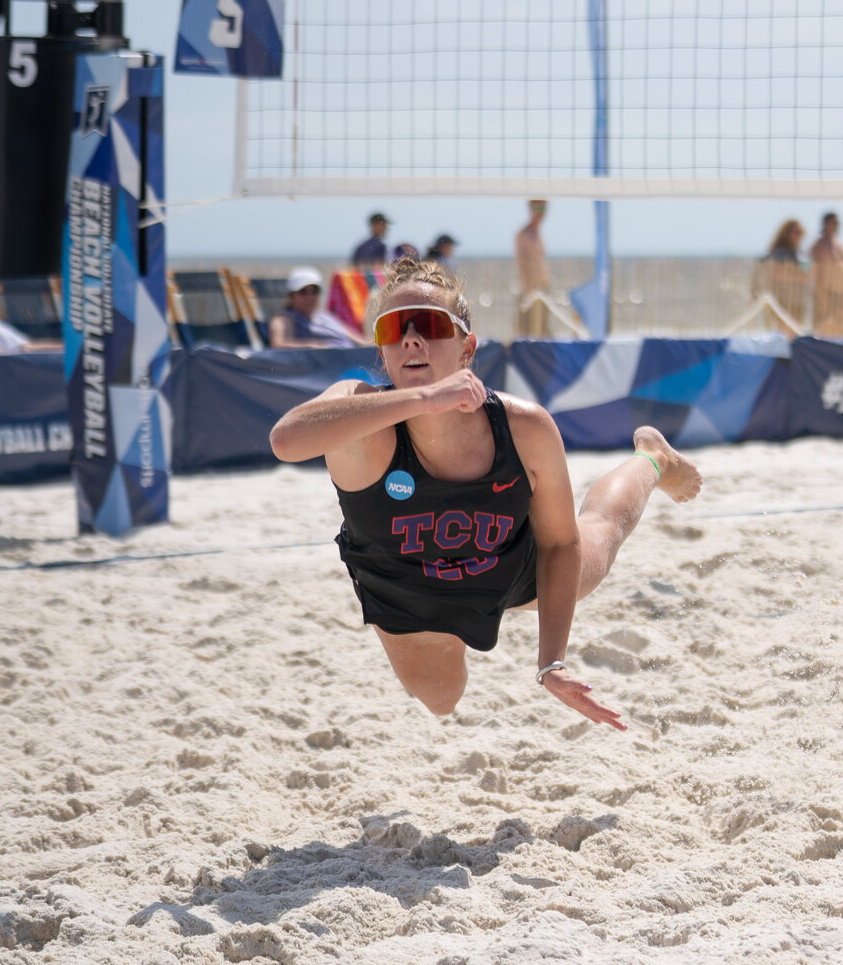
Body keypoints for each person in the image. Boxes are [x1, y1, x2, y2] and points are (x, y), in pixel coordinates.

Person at [269, 256, 702, 729]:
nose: (412, 338)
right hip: (403, 587)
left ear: (466, 348)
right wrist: (423, 398)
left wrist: (551, 663)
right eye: (393, 329)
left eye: (431, 324)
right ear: (383, 350)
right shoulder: (356, 412)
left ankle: (653, 458)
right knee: (442, 700)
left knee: (596, 538)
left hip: (507, 562)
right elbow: (286, 440)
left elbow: (560, 543)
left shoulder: (524, 426)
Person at [268, 268, 357, 349]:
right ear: (291, 296)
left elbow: (358, 340)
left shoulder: (325, 317)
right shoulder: (284, 319)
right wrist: (312, 345)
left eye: (315, 291)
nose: (310, 297)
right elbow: (278, 344)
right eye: (303, 292)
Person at [751, 219, 808, 327]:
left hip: (796, 300)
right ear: (786, 234)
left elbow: (806, 273)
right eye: (796, 232)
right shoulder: (779, 253)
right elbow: (777, 273)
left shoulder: (800, 254)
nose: (798, 236)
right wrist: (797, 277)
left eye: (800, 233)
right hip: (781, 301)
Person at [809, 211, 843, 336]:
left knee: (842, 326)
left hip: (840, 292)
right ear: (826, 224)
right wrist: (820, 294)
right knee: (823, 326)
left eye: (837, 223)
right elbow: (815, 271)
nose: (836, 226)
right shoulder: (819, 245)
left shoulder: (839, 245)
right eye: (834, 223)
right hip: (825, 292)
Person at [514, 199, 550, 337]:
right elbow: (523, 265)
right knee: (527, 332)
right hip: (529, 291)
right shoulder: (524, 234)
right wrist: (528, 290)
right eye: (538, 209)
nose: (541, 214)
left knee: (542, 330)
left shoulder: (537, 234)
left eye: (543, 209)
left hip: (541, 290)